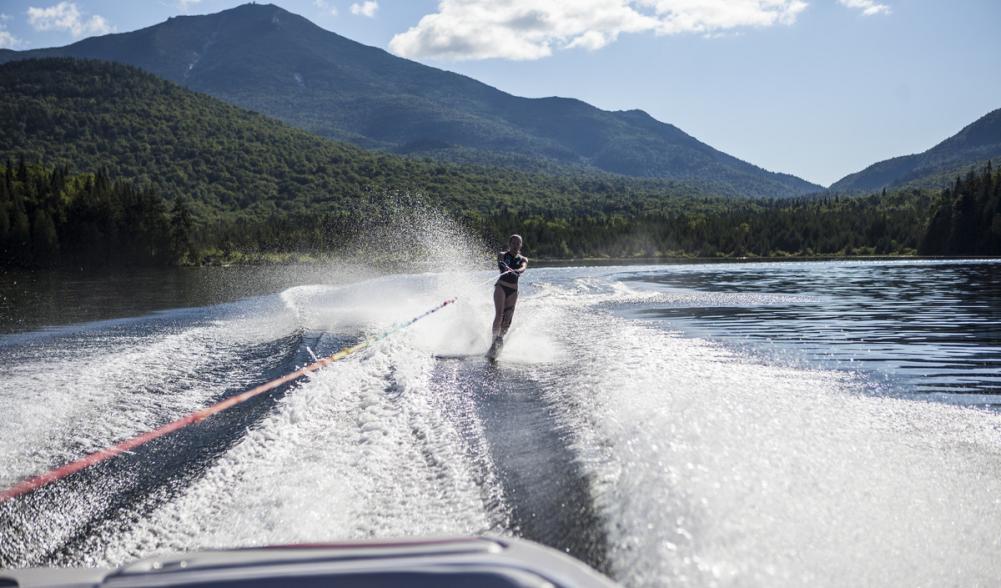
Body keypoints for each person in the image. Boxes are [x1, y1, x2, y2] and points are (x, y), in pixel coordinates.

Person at [489, 234, 527, 357]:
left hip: (513, 291)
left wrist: (517, 271)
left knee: (508, 319)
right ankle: (494, 340)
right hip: (501, 287)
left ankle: (500, 338)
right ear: (510, 244)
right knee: (499, 314)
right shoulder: (502, 255)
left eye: (518, 243)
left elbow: (523, 268)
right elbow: (500, 263)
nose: (516, 245)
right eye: (514, 243)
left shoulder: (523, 259)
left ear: (520, 245)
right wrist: (505, 266)